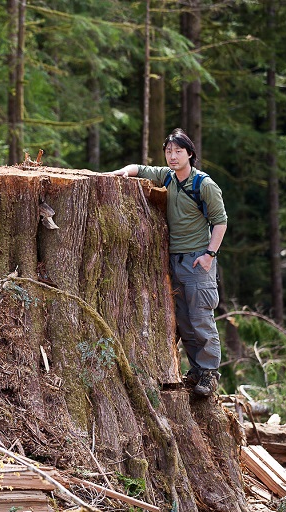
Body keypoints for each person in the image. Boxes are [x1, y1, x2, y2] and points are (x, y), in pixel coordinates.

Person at [109, 128, 227, 397]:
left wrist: (209, 255)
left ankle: (209, 374)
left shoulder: (204, 184)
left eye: (178, 151)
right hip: (174, 260)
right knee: (184, 319)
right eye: (169, 151)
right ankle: (196, 370)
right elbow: (138, 168)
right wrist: (121, 173)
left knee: (201, 317)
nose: (173, 156)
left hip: (198, 261)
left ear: (190, 154)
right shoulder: (168, 177)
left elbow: (220, 221)